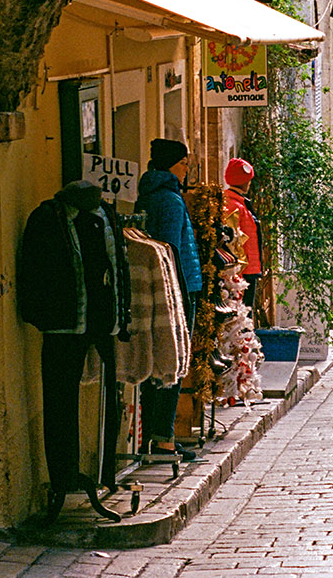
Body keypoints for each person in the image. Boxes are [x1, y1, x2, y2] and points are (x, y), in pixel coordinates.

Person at [18, 179, 130, 521]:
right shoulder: (47, 218)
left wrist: (122, 318)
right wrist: (39, 315)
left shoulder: (104, 216)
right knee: (58, 401)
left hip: (101, 322)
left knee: (111, 398)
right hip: (62, 325)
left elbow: (118, 267)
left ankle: (104, 474)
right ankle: (62, 478)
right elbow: (32, 270)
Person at [136, 138, 201, 459]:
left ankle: (150, 434)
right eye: (184, 162)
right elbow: (171, 250)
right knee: (173, 362)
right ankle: (163, 438)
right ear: (172, 165)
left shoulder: (147, 194)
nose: (187, 168)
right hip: (177, 289)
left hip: (156, 288)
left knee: (153, 361)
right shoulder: (172, 201)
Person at [222, 157, 263, 309]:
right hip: (243, 271)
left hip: (247, 269)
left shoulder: (237, 203)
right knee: (243, 314)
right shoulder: (235, 205)